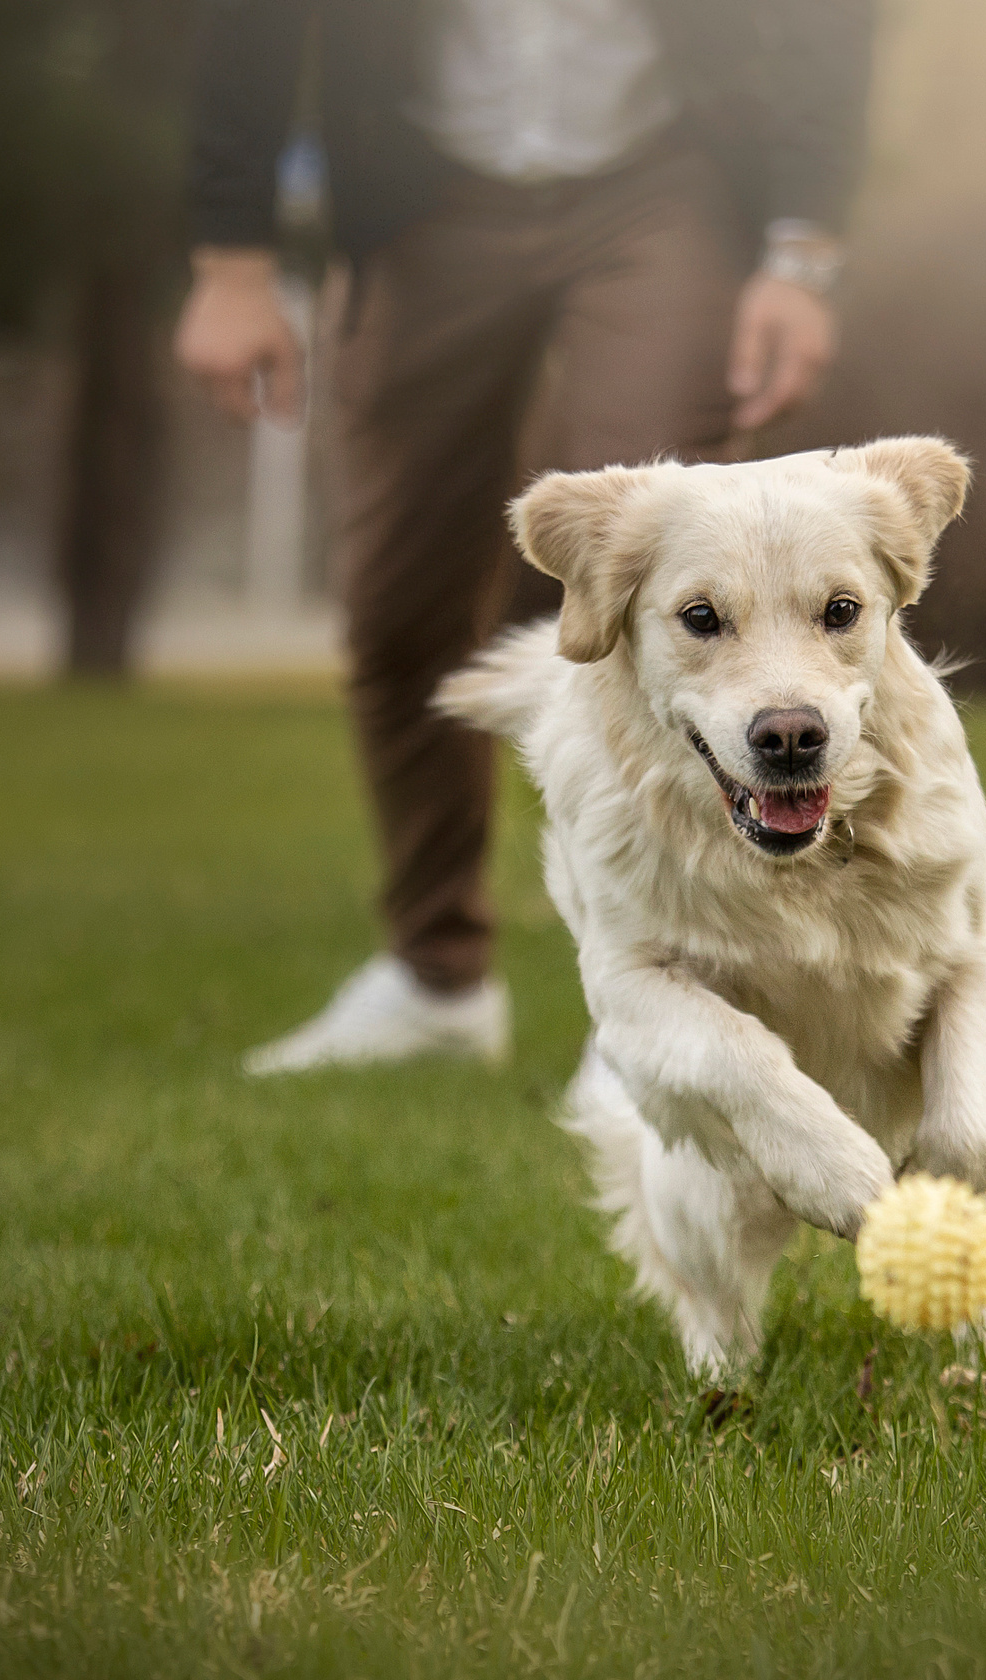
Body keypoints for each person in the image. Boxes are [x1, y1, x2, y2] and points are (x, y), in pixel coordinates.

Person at [177, 0, 875, 1073]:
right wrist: (232, 262)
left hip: (663, 175)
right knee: (398, 608)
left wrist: (802, 254)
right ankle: (435, 977)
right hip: (421, 185)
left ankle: (680, 990)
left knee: (665, 588)